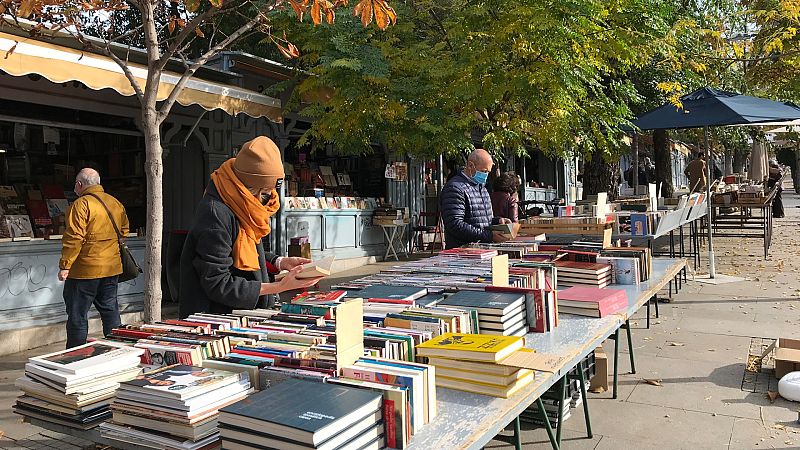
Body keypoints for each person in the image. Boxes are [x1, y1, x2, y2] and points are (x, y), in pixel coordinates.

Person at [179, 136, 322, 318]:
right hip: (217, 319)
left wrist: (279, 262)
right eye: (265, 193)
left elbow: (247, 252)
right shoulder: (216, 214)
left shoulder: (241, 203)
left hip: (240, 313)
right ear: (249, 188)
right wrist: (280, 286)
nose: (269, 199)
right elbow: (218, 283)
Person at [58, 168, 129, 349]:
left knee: (77, 315)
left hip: (84, 271)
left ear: (80, 184)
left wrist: (65, 265)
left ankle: (75, 354)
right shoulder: (115, 203)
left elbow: (74, 238)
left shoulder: (80, 205)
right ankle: (117, 349)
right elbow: (124, 232)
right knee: (110, 310)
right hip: (111, 269)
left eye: (75, 183)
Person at [440, 149, 511, 249]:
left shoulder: (482, 187)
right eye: (483, 171)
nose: (486, 175)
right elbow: (455, 224)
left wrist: (498, 221)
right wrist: (489, 236)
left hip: (481, 249)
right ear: (470, 165)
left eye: (488, 172)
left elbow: (480, 220)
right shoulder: (455, 188)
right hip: (462, 252)